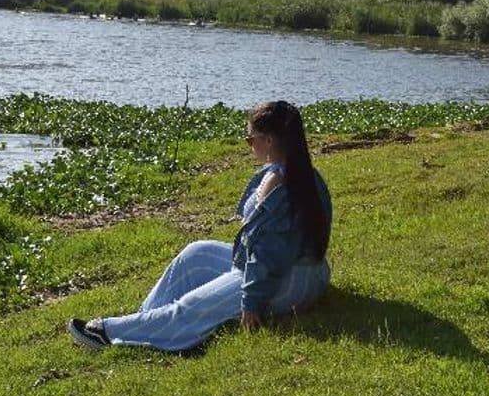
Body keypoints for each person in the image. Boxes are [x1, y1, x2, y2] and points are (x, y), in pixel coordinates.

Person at [68, 100, 332, 352]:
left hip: (285, 282)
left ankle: (108, 333)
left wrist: (252, 302)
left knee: (191, 309)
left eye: (251, 139)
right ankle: (144, 318)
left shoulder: (279, 184)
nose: (249, 145)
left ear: (270, 141)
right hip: (303, 274)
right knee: (196, 254)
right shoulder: (302, 171)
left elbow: (269, 252)